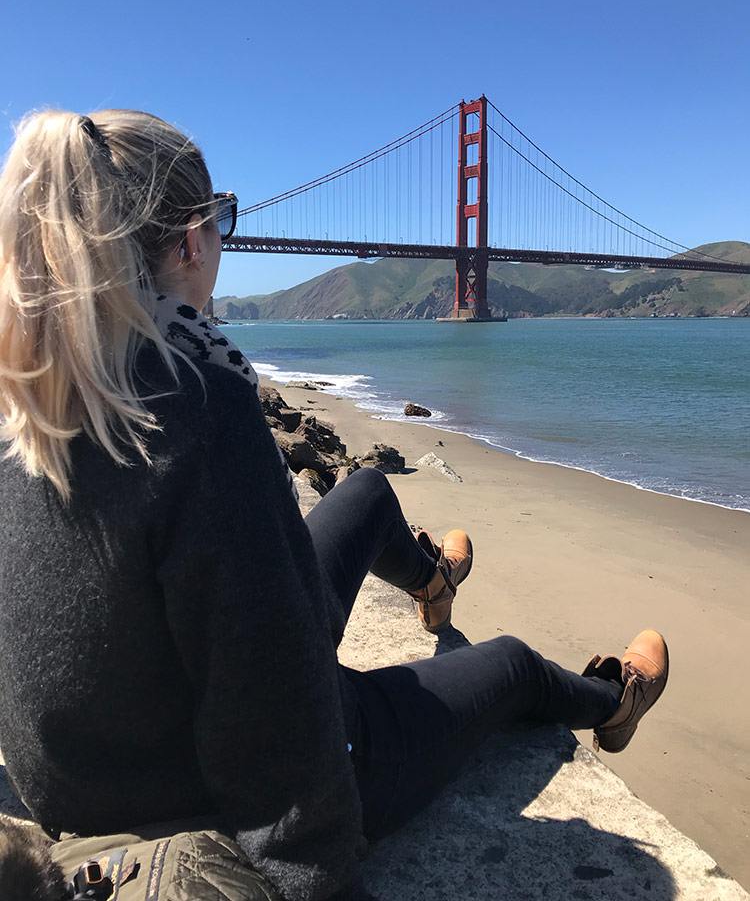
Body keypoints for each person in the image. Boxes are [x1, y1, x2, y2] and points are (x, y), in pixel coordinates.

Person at [0, 109, 668, 901]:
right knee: (515, 664)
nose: (223, 239)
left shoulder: (32, 392)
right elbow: (273, 723)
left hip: (91, 765)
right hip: (195, 791)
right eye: (223, 220)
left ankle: (431, 583)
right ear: (190, 240)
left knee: (365, 491)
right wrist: (312, 875)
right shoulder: (196, 402)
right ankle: (613, 699)